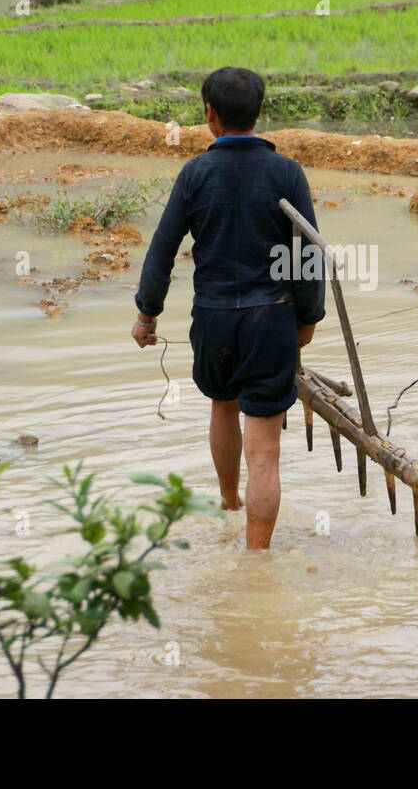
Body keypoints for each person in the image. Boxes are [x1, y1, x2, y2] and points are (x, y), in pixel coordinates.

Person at [131, 67, 326, 550]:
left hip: (214, 318)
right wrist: (307, 318)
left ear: (209, 115)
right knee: (265, 455)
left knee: (222, 403)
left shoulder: (195, 174)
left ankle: (228, 502)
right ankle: (256, 555)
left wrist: (147, 314)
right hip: (270, 317)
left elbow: (162, 249)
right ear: (259, 113)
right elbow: (306, 252)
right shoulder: (285, 173)